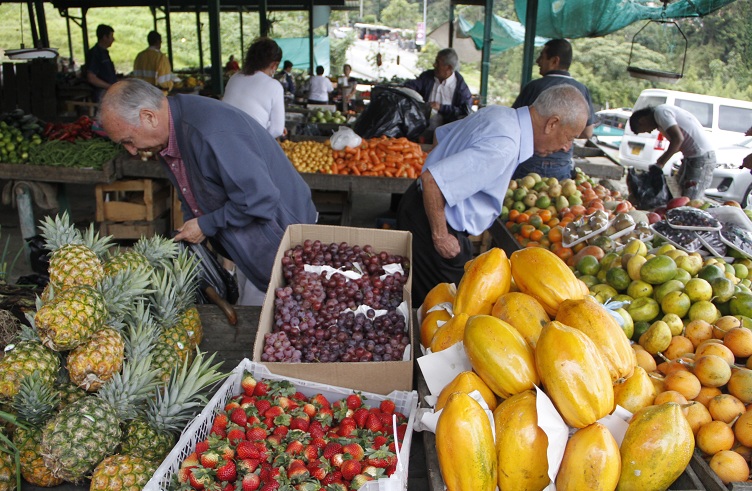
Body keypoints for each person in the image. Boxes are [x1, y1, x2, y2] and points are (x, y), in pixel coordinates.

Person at [99, 79, 318, 304]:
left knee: (273, 320)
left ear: (148, 117)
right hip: (253, 240)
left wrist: (205, 225)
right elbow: (190, 190)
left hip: (281, 239)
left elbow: (260, 200)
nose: (132, 151)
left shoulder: (210, 131)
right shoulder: (169, 134)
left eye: (128, 140)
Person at [397, 85, 589, 306]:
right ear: (552, 123)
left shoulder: (501, 114)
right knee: (438, 310)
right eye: (570, 137)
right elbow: (433, 181)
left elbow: (443, 135)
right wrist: (440, 236)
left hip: (423, 208)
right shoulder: (504, 145)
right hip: (433, 221)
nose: (566, 147)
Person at [511, 39, 596, 181]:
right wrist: (566, 136)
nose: (538, 61)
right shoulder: (582, 90)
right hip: (561, 164)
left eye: (542, 56)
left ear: (555, 60)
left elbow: (515, 123)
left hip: (530, 162)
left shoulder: (534, 87)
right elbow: (588, 132)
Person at [629, 105, 716, 199]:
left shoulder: (661, 113)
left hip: (701, 158)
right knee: (680, 193)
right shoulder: (660, 118)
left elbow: (678, 139)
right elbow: (677, 144)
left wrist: (660, 163)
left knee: (691, 198)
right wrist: (660, 162)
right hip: (691, 158)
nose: (649, 132)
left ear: (642, 121)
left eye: (645, 130)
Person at [223, 37, 285, 139]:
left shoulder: (235, 77)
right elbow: (277, 130)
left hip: (223, 138)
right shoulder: (274, 86)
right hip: (249, 143)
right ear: (274, 65)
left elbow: (247, 112)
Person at [404, 48, 473, 129]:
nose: (434, 65)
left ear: (448, 68)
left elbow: (464, 111)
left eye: (437, 62)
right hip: (422, 125)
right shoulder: (427, 77)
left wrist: (441, 107)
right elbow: (412, 86)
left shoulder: (461, 89)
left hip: (448, 129)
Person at [86, 24, 117, 102]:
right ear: (104, 37)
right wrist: (109, 86)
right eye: (111, 36)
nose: (113, 39)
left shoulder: (104, 53)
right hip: (101, 93)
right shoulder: (95, 53)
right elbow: (91, 77)